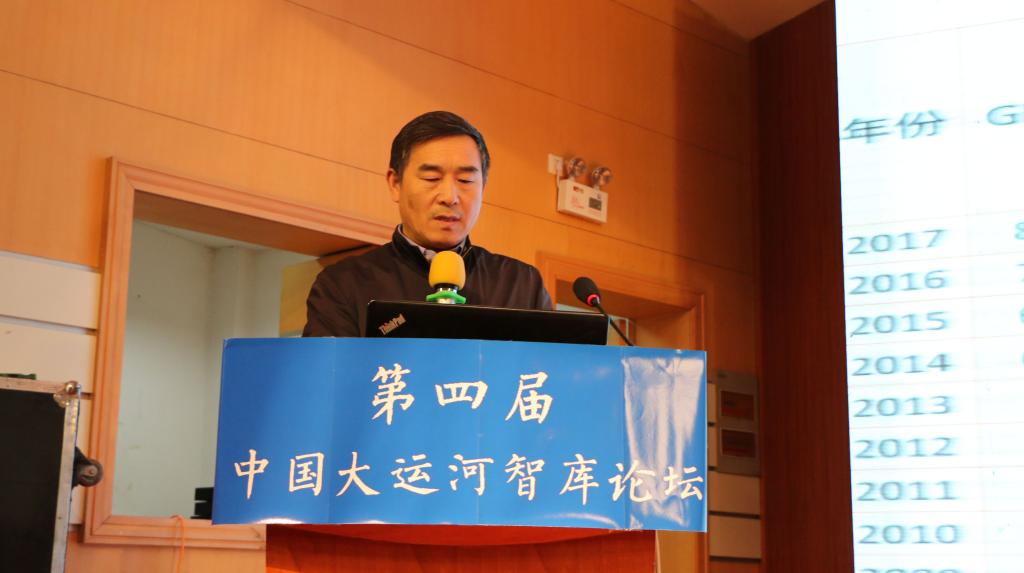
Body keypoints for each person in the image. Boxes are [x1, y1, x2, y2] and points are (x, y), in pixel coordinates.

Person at [303, 111, 552, 337]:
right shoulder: (343, 284)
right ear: (395, 184)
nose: (449, 197)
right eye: (432, 178)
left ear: (483, 187)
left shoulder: (521, 283)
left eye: (465, 180)